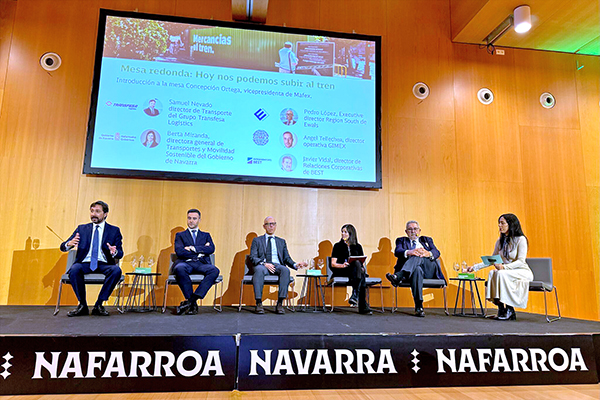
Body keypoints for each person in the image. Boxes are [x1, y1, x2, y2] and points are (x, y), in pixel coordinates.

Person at [60, 201, 123, 317]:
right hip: (85, 263)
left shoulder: (114, 231)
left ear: (105, 214)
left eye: (97, 211)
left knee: (116, 271)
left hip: (104, 263)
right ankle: (82, 305)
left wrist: (114, 252)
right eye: (92, 211)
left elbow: (120, 254)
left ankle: (99, 305)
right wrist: (69, 244)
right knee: (74, 269)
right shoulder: (82, 229)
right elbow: (63, 247)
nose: (94, 214)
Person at [465, 214, 532, 321]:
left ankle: (510, 309)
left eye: (502, 223)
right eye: (499, 223)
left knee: (500, 273)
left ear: (510, 224)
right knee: (493, 273)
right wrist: (474, 267)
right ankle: (501, 308)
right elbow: (493, 259)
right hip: (505, 272)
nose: (499, 225)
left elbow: (521, 261)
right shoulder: (500, 241)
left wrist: (504, 268)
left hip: (521, 271)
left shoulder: (521, 239)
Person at [386, 220, 445, 317]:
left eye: (415, 229)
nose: (413, 231)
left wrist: (427, 253)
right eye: (410, 229)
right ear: (406, 232)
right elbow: (398, 251)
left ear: (419, 230)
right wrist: (410, 252)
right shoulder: (401, 240)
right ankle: (419, 306)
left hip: (428, 269)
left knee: (418, 256)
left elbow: (436, 252)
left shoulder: (427, 240)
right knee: (417, 269)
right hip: (413, 272)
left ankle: (399, 275)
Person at [249, 216, 308, 314]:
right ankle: (259, 303)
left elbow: (286, 258)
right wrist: (264, 263)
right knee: (258, 270)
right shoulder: (257, 240)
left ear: (275, 226)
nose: (271, 226)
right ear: (264, 226)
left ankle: (280, 303)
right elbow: (253, 257)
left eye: (273, 224)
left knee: (285, 270)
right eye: (269, 224)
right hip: (263, 265)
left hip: (277, 265)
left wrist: (295, 264)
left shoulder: (281, 241)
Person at [173, 209, 220, 315]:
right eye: (189, 218)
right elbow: (179, 252)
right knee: (179, 268)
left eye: (194, 218)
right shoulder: (180, 235)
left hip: (201, 263)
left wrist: (192, 248)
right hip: (186, 262)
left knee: (214, 270)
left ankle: (191, 301)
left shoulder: (206, 235)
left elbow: (211, 249)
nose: (191, 221)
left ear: (199, 220)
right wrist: (202, 249)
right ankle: (192, 304)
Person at [330, 224, 372, 315]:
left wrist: (362, 267)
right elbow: (333, 264)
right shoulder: (337, 246)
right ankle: (361, 304)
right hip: (342, 270)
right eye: (342, 232)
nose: (343, 234)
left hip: (354, 272)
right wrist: (343, 265)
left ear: (351, 233)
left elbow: (361, 261)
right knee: (360, 275)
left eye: (345, 232)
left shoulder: (358, 246)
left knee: (357, 265)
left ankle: (355, 295)